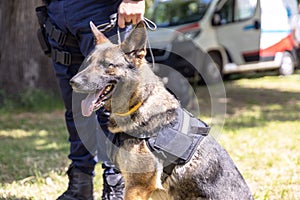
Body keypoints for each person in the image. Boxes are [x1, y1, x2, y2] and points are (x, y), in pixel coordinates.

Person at [37, 0, 145, 199]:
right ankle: (80, 185)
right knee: (76, 108)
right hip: (57, 13)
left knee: (113, 108)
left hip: (100, 8)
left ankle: (117, 189)